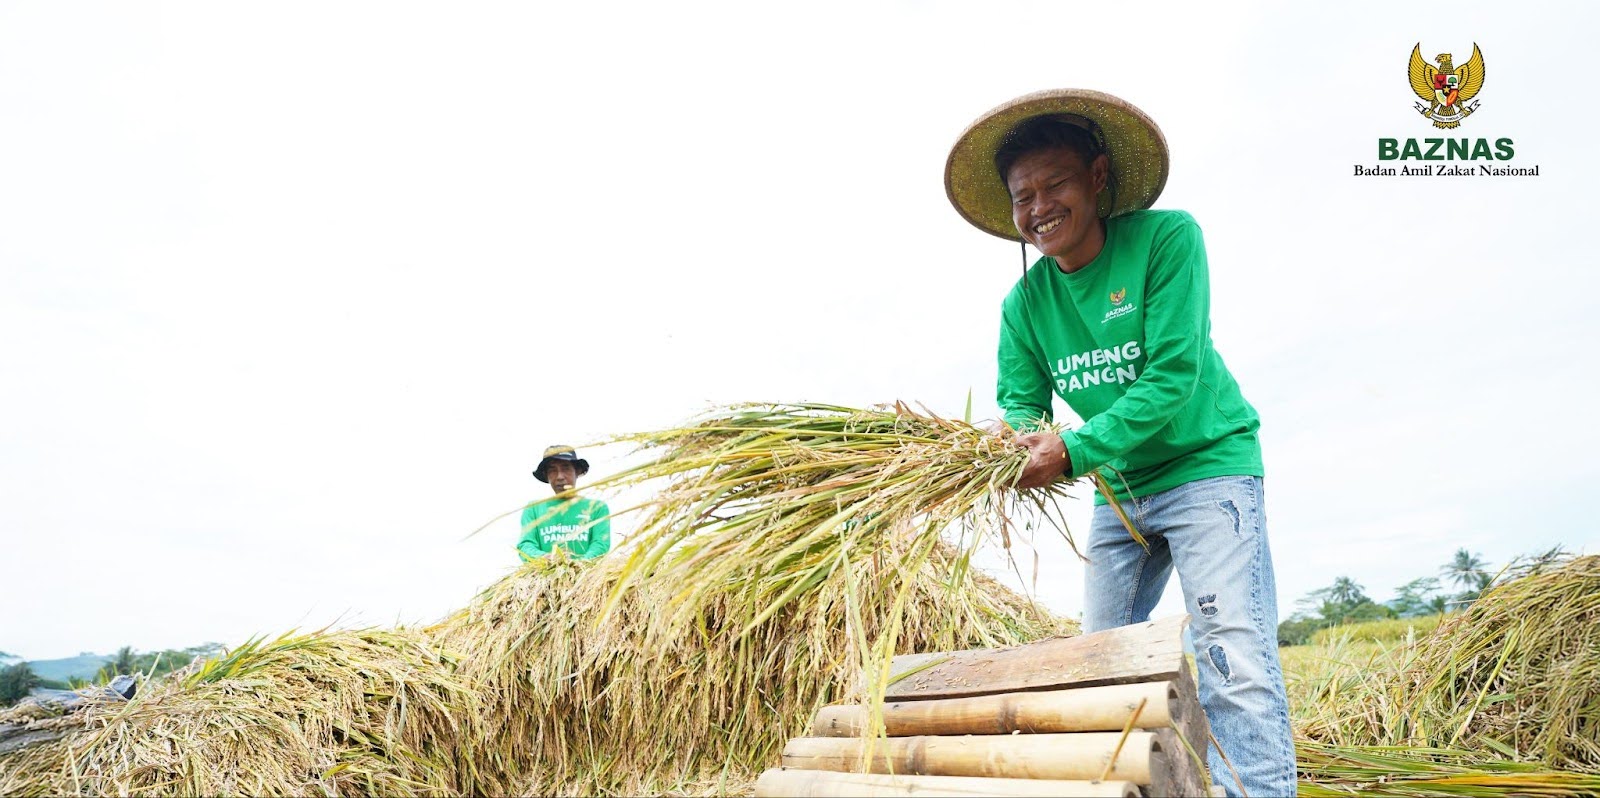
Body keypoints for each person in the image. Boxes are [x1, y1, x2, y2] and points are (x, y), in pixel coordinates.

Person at [943, 89, 1296, 796]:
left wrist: (1071, 452)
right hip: (1121, 490)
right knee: (1102, 663)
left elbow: (1172, 375)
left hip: (1207, 469)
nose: (1039, 206)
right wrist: (1010, 443)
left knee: (1234, 656)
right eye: (1023, 195)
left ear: (1098, 177)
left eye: (1056, 184)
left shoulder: (1167, 241)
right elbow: (1022, 403)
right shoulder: (1025, 304)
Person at [517, 445, 611, 562]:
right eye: (552, 470)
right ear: (546, 475)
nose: (560, 476)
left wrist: (577, 565)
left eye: (566, 468)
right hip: (546, 577)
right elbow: (525, 545)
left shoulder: (597, 508)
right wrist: (545, 558)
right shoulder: (534, 509)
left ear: (577, 471)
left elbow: (600, 544)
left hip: (586, 576)